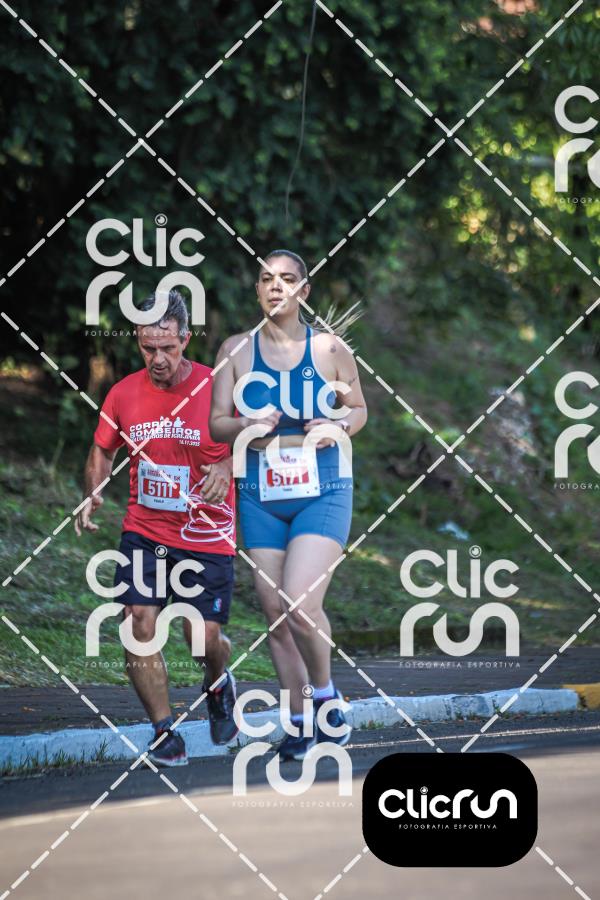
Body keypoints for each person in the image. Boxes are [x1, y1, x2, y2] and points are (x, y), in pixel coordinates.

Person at [210, 250, 367, 760]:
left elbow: (359, 409)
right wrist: (246, 425)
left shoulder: (329, 348)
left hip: (323, 487)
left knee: (299, 601)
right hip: (261, 492)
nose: (276, 287)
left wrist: (337, 426)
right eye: (266, 279)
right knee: (277, 614)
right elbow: (217, 423)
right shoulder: (235, 350)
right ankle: (299, 723)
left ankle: (326, 697)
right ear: (257, 290)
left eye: (287, 279)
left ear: (305, 290)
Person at [75, 290, 238, 767]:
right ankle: (164, 730)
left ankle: (218, 682)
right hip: (145, 530)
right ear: (138, 341)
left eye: (168, 347)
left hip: (206, 534)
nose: (159, 358)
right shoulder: (123, 393)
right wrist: (93, 489)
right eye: (149, 348)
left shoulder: (218, 387)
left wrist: (227, 465)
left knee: (201, 637)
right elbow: (103, 448)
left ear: (185, 339)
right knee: (137, 621)